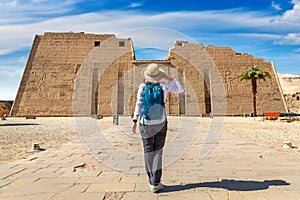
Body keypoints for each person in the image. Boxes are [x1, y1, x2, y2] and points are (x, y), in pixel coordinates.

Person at [132, 63, 184, 193]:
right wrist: (169, 78)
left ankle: (152, 181)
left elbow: (139, 104)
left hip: (145, 123)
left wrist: (134, 120)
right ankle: (156, 182)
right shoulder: (163, 86)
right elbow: (180, 89)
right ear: (159, 76)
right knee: (158, 152)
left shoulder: (142, 87)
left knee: (148, 151)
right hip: (160, 122)